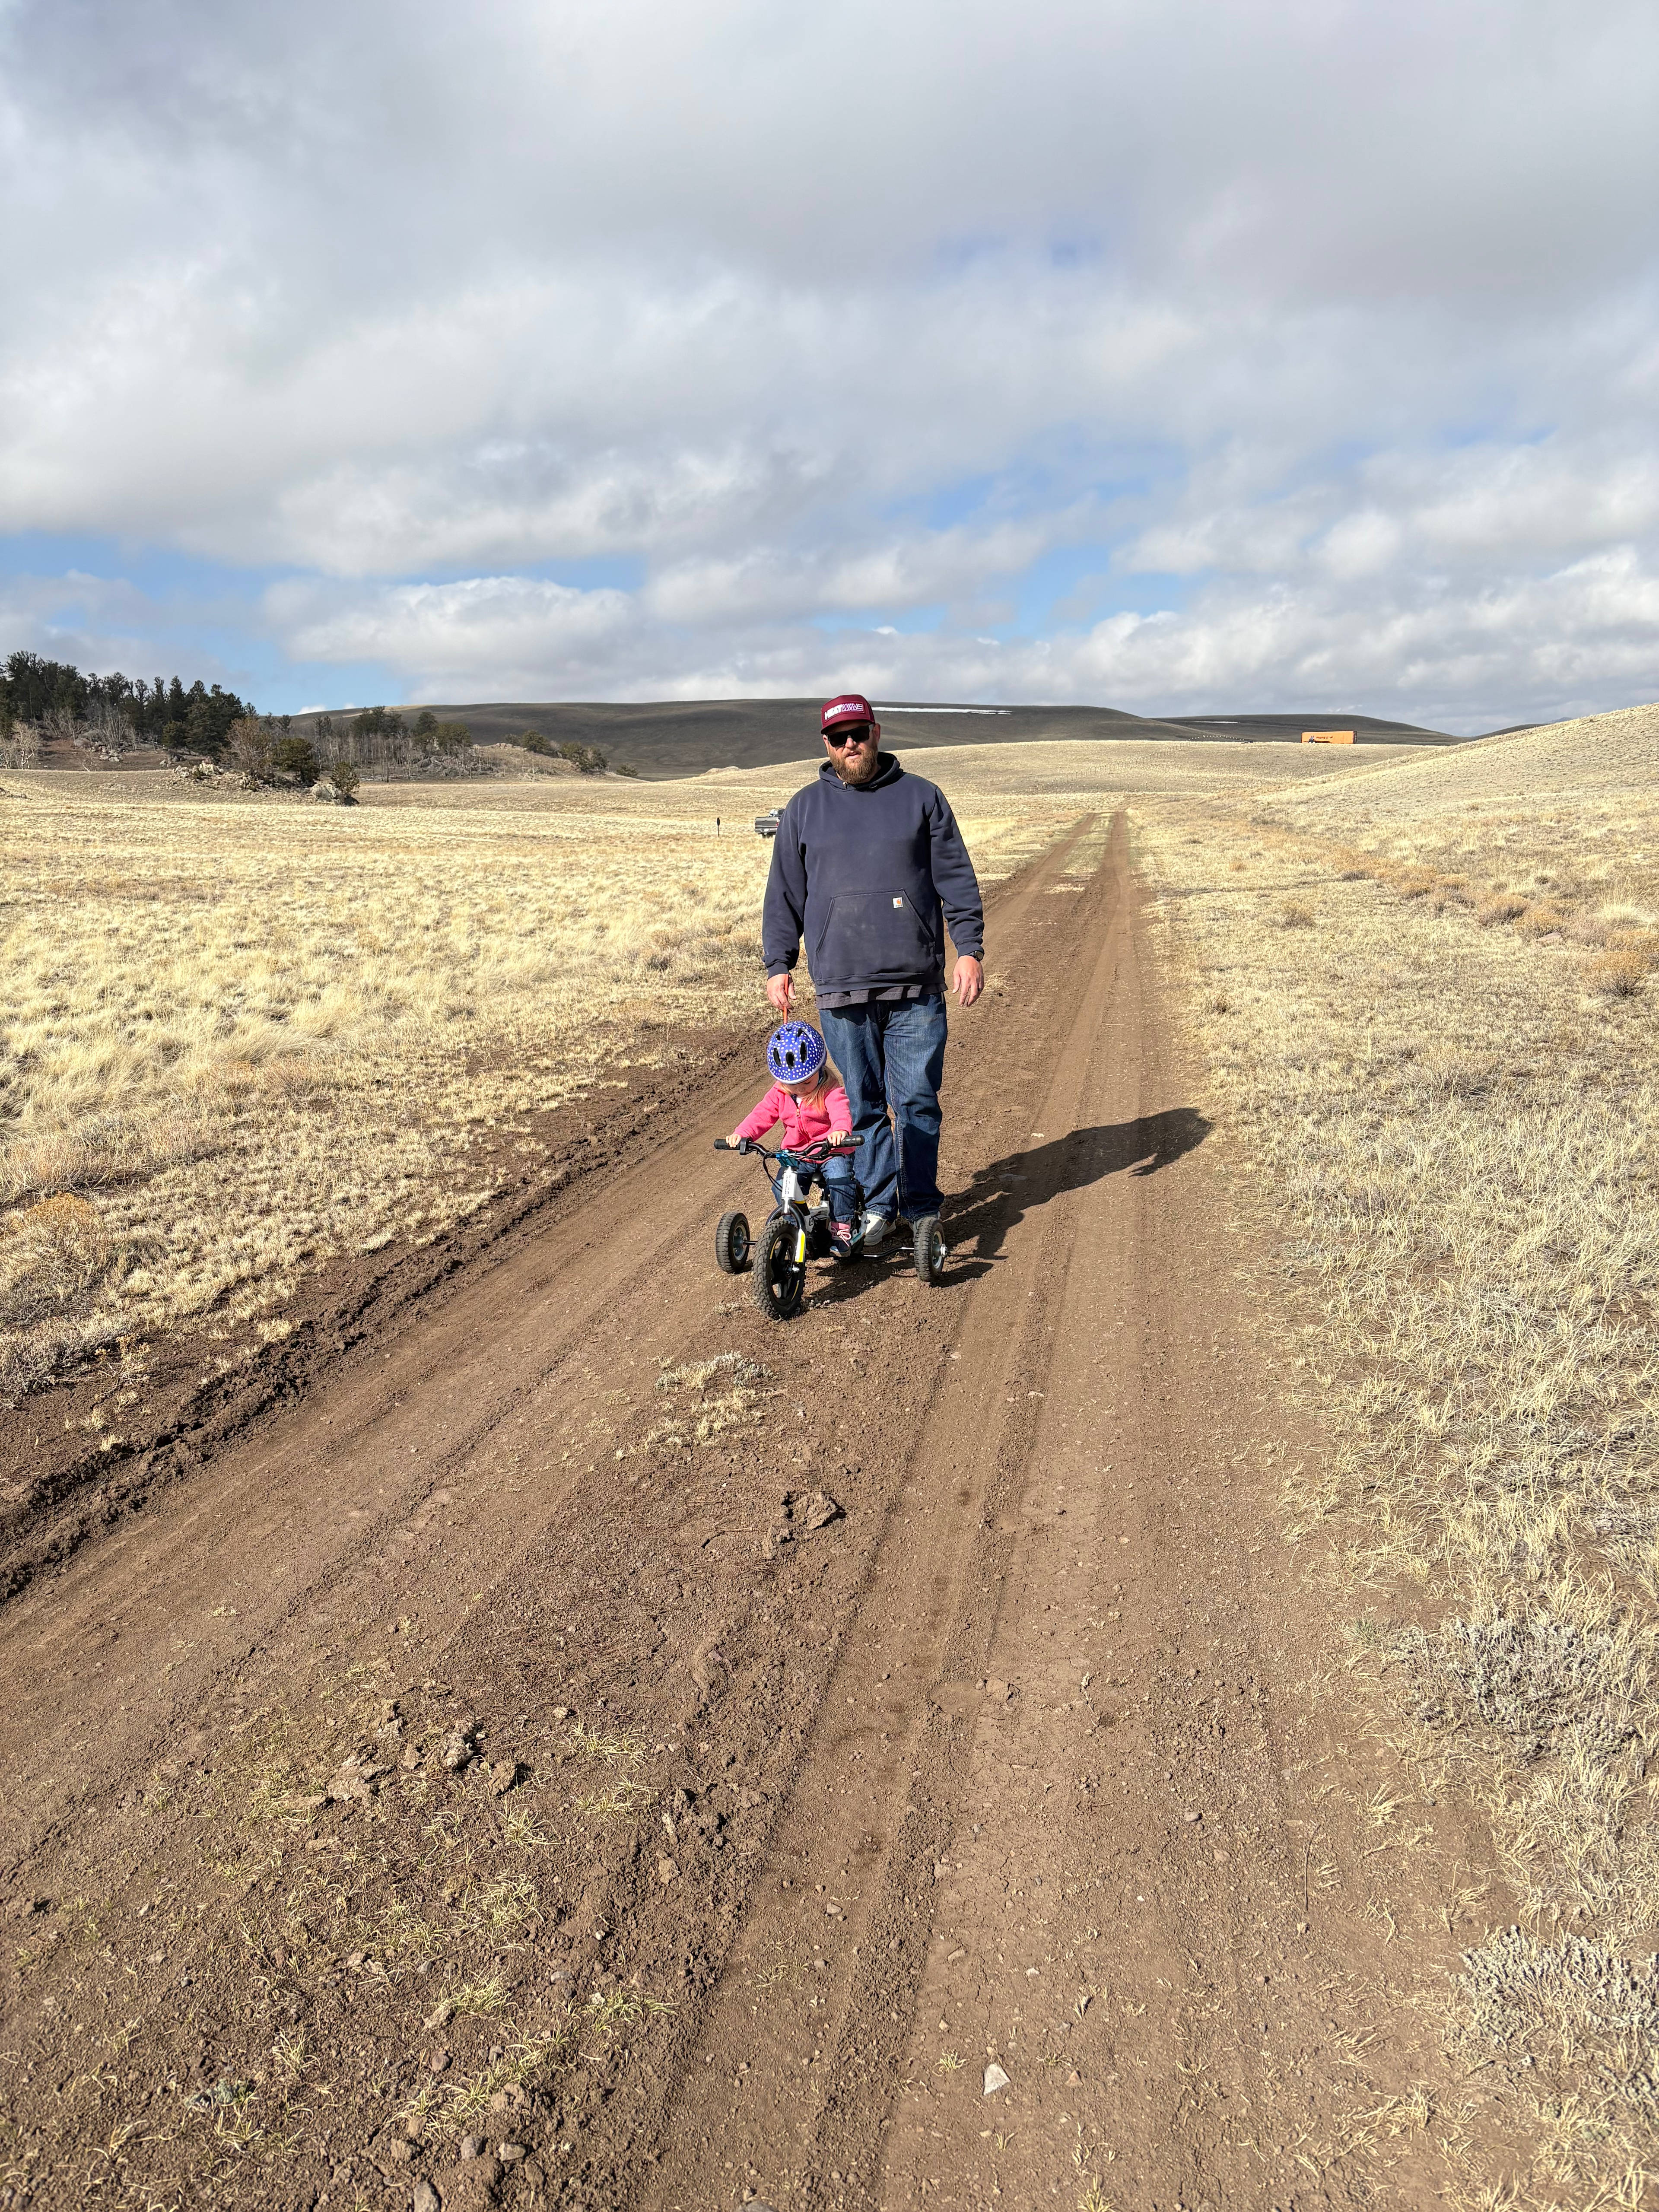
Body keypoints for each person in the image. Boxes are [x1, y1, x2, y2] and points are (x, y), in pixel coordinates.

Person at [761, 692, 984, 1250]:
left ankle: (922, 1207)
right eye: (839, 738)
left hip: (915, 984)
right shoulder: (804, 809)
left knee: (915, 1102)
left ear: (877, 732)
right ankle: (879, 1207)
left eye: (858, 732)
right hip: (840, 985)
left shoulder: (922, 797)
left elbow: (955, 878)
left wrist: (970, 949)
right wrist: (778, 963)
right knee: (859, 1107)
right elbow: (784, 893)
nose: (851, 744)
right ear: (826, 745)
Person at [729, 1022, 860, 1254]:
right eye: (792, 1085)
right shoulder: (780, 1093)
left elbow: (841, 1113)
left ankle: (841, 1227)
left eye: (806, 1083)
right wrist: (743, 1134)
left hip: (830, 1151)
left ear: (820, 1070)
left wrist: (840, 1131)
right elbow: (762, 1115)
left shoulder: (830, 1090)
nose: (799, 1089)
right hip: (797, 1154)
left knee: (840, 1180)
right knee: (781, 1187)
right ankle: (799, 1223)